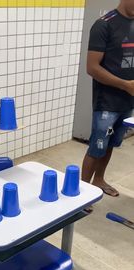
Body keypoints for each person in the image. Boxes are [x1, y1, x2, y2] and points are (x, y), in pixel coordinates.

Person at [81, 0, 134, 209]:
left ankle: (99, 180)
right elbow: (92, 68)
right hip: (107, 102)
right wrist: (125, 85)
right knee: (97, 146)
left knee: (112, 144)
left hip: (128, 101)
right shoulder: (104, 24)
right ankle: (82, 191)